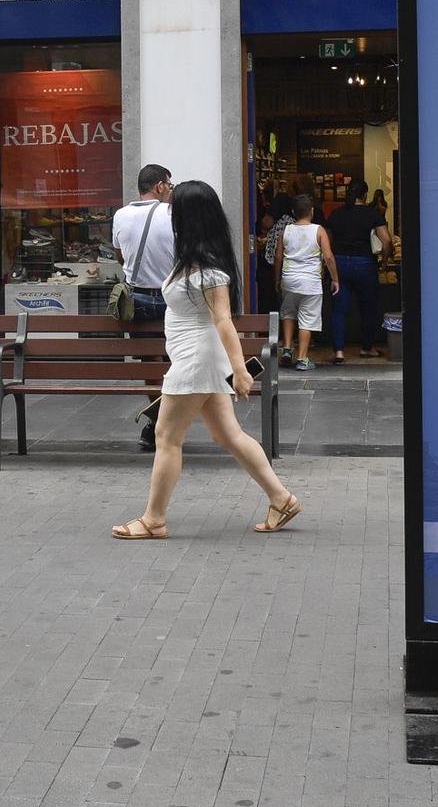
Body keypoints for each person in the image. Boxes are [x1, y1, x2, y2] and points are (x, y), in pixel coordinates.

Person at [112, 180, 301, 539]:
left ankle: (154, 519)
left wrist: (241, 370)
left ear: (188, 217)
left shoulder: (207, 270)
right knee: (228, 434)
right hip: (198, 358)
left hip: (196, 361)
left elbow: (223, 321)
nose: (170, 212)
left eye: (174, 208)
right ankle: (282, 498)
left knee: (167, 435)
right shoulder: (193, 261)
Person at [113, 164, 176, 448]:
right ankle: (167, 422)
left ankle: (158, 420)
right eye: (171, 186)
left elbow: (120, 256)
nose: (172, 191)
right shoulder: (174, 213)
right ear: (160, 186)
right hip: (171, 299)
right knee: (176, 362)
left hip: (137, 300)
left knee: (152, 362)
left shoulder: (120, 215)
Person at [326, 180, 392, 363]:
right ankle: (367, 348)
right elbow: (386, 241)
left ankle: (339, 351)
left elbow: (327, 241)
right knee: (368, 308)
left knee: (339, 309)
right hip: (364, 264)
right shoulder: (372, 214)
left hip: (339, 264)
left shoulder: (336, 214)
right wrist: (384, 262)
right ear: (364, 195)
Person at [276, 194, 337, 370]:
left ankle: (287, 349)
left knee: (288, 312)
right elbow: (328, 257)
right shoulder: (319, 231)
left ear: (294, 212)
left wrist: (277, 279)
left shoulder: (285, 230)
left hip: (289, 279)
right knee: (307, 320)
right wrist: (335, 279)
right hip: (311, 282)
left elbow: (279, 257)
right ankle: (302, 359)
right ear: (311, 211)